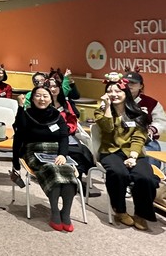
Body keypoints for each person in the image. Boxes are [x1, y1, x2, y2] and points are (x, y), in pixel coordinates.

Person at [95, 77, 159, 230]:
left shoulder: (138, 113)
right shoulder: (101, 111)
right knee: (118, 173)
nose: (113, 94)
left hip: (133, 152)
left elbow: (139, 137)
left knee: (146, 177)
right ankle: (120, 210)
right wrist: (107, 107)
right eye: (109, 91)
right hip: (110, 151)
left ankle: (141, 214)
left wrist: (133, 156)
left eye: (118, 91)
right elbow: (108, 128)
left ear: (126, 93)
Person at [12, 86, 79, 232]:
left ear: (50, 99)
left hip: (56, 152)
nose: (41, 99)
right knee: (52, 170)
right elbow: (19, 131)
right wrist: (21, 107)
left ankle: (65, 213)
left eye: (45, 96)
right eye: (38, 96)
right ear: (32, 98)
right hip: (33, 151)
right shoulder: (26, 114)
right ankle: (55, 213)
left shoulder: (57, 115)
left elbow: (64, 137)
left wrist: (62, 154)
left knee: (68, 172)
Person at [45, 78, 94, 183]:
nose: (52, 89)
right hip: (48, 136)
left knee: (81, 152)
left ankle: (77, 181)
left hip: (66, 134)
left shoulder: (66, 103)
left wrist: (67, 129)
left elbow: (72, 121)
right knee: (69, 151)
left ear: (59, 88)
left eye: (55, 86)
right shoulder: (42, 103)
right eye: (50, 86)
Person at [122, 71, 166, 159]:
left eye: (133, 83)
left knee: (153, 150)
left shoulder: (151, 103)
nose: (129, 85)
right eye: (126, 83)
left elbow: (161, 121)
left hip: (145, 140)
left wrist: (151, 130)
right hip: (120, 139)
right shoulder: (116, 99)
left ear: (141, 86)